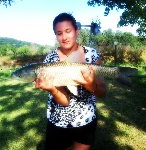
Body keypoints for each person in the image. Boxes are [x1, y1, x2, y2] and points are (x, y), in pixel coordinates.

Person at [35, 12, 107, 150]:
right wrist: (52, 89)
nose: (64, 37)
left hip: (86, 120)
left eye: (68, 31)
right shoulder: (50, 59)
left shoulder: (92, 55)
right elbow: (65, 101)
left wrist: (90, 85)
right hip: (57, 122)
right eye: (59, 33)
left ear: (76, 31)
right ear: (56, 35)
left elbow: (102, 93)